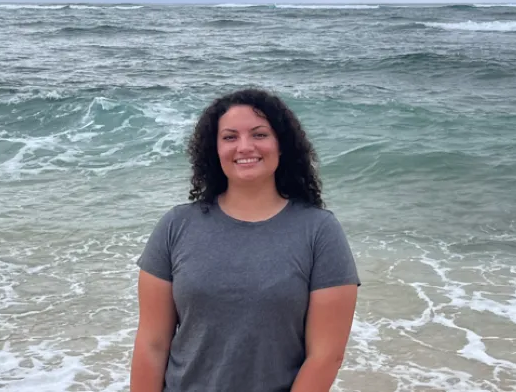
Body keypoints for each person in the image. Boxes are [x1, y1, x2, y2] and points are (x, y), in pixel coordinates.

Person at [130, 88, 360, 392]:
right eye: (229, 137)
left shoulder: (319, 230)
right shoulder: (176, 225)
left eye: (260, 134)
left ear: (282, 145)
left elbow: (326, 355)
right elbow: (152, 343)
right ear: (214, 149)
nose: (245, 146)